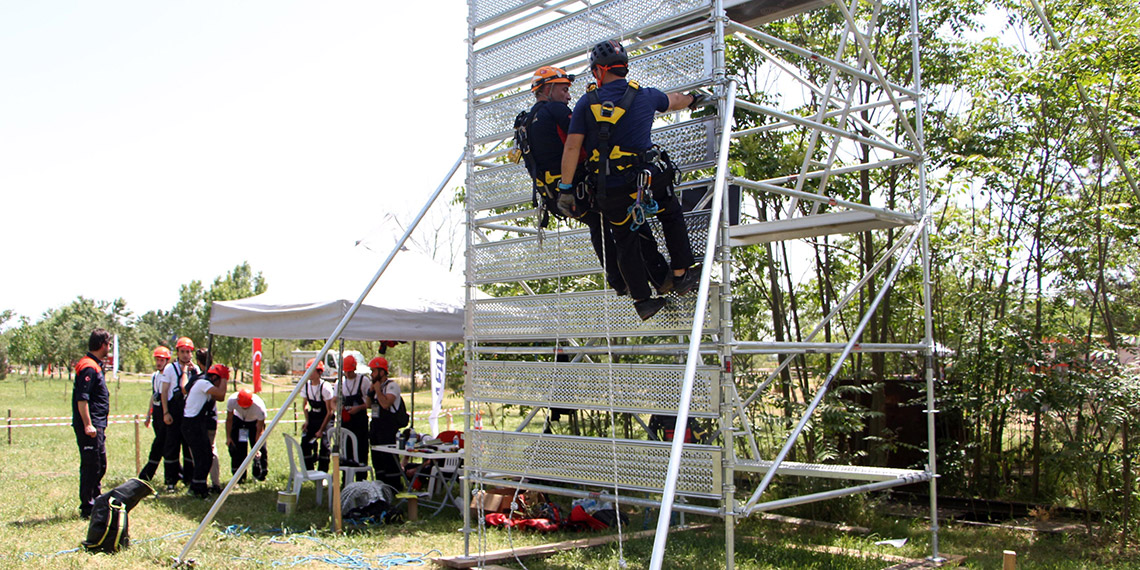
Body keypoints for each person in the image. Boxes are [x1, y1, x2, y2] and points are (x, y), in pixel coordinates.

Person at [561, 39, 707, 320]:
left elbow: (571, 147)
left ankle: (642, 300)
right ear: (623, 68)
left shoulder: (585, 103)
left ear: (599, 71)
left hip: (609, 187)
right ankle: (681, 274)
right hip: (645, 181)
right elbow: (675, 100)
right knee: (671, 214)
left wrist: (566, 189)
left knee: (625, 239)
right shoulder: (645, 95)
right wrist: (693, 99)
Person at [516, 65, 672, 297]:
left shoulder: (526, 122)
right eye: (564, 89)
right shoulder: (557, 111)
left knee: (599, 227)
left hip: (554, 196)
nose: (568, 96)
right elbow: (586, 137)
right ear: (547, 89)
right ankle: (659, 276)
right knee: (629, 222)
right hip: (576, 189)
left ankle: (621, 282)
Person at [72, 328, 112, 518]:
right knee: (91, 465)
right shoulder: (89, 366)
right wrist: (88, 424)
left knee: (100, 463)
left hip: (98, 424)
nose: (109, 347)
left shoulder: (94, 365)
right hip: (91, 426)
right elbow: (82, 398)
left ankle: (96, 499)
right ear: (102, 344)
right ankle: (87, 507)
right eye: (108, 344)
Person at [182, 363, 229, 499]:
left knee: (206, 457)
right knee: (203, 458)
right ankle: (198, 489)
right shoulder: (203, 383)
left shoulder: (206, 384)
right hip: (191, 424)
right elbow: (221, 394)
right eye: (219, 380)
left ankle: (197, 486)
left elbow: (219, 397)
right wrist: (225, 378)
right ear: (215, 377)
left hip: (197, 424)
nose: (220, 383)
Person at [159, 336, 197, 492]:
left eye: (188, 352)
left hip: (189, 411)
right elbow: (164, 391)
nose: (186, 355)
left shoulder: (195, 369)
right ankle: (170, 480)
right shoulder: (170, 369)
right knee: (172, 446)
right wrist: (165, 411)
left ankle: (189, 479)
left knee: (189, 446)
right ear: (177, 352)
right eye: (183, 352)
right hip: (174, 411)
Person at [139, 346, 172, 484]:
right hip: (157, 414)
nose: (159, 363)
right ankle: (177, 472)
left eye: (161, 360)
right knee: (162, 446)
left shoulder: (170, 374)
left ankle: (146, 475)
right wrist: (149, 414)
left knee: (159, 445)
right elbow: (154, 396)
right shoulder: (155, 376)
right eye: (157, 360)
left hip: (166, 412)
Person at [367, 356, 402, 488]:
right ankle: (380, 485)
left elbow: (385, 404)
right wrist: (371, 392)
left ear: (382, 372)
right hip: (376, 427)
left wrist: (377, 390)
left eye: (374, 371)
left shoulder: (392, 386)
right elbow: (368, 405)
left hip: (388, 428)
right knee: (377, 458)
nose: (372, 374)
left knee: (389, 459)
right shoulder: (376, 388)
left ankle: (394, 487)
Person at [337, 355, 371, 481]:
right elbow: (335, 401)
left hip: (360, 420)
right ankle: (346, 479)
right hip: (346, 421)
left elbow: (369, 402)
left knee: (361, 449)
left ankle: (361, 479)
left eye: (350, 371)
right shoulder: (340, 383)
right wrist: (339, 408)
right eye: (346, 371)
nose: (348, 374)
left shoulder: (364, 381)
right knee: (347, 449)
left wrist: (359, 408)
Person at [225, 388, 268, 483]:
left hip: (254, 423)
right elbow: (229, 419)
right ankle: (239, 477)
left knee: (261, 449)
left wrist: (256, 447)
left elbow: (259, 429)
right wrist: (228, 437)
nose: (244, 408)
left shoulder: (259, 407)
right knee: (238, 450)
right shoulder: (232, 400)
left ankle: (261, 474)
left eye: (247, 406)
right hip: (239, 420)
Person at [195, 347, 223, 494]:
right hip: (211, 417)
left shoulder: (205, 378)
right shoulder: (214, 375)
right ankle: (214, 482)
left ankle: (207, 482)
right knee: (211, 450)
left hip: (205, 418)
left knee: (206, 451)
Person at [300, 358, 335, 472]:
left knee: (325, 445)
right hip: (313, 416)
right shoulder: (306, 386)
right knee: (305, 443)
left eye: (312, 370)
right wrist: (307, 421)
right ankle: (309, 470)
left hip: (325, 418)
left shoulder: (325, 387)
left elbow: (330, 411)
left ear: (319, 372)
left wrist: (321, 429)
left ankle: (323, 472)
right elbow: (305, 404)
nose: (309, 373)